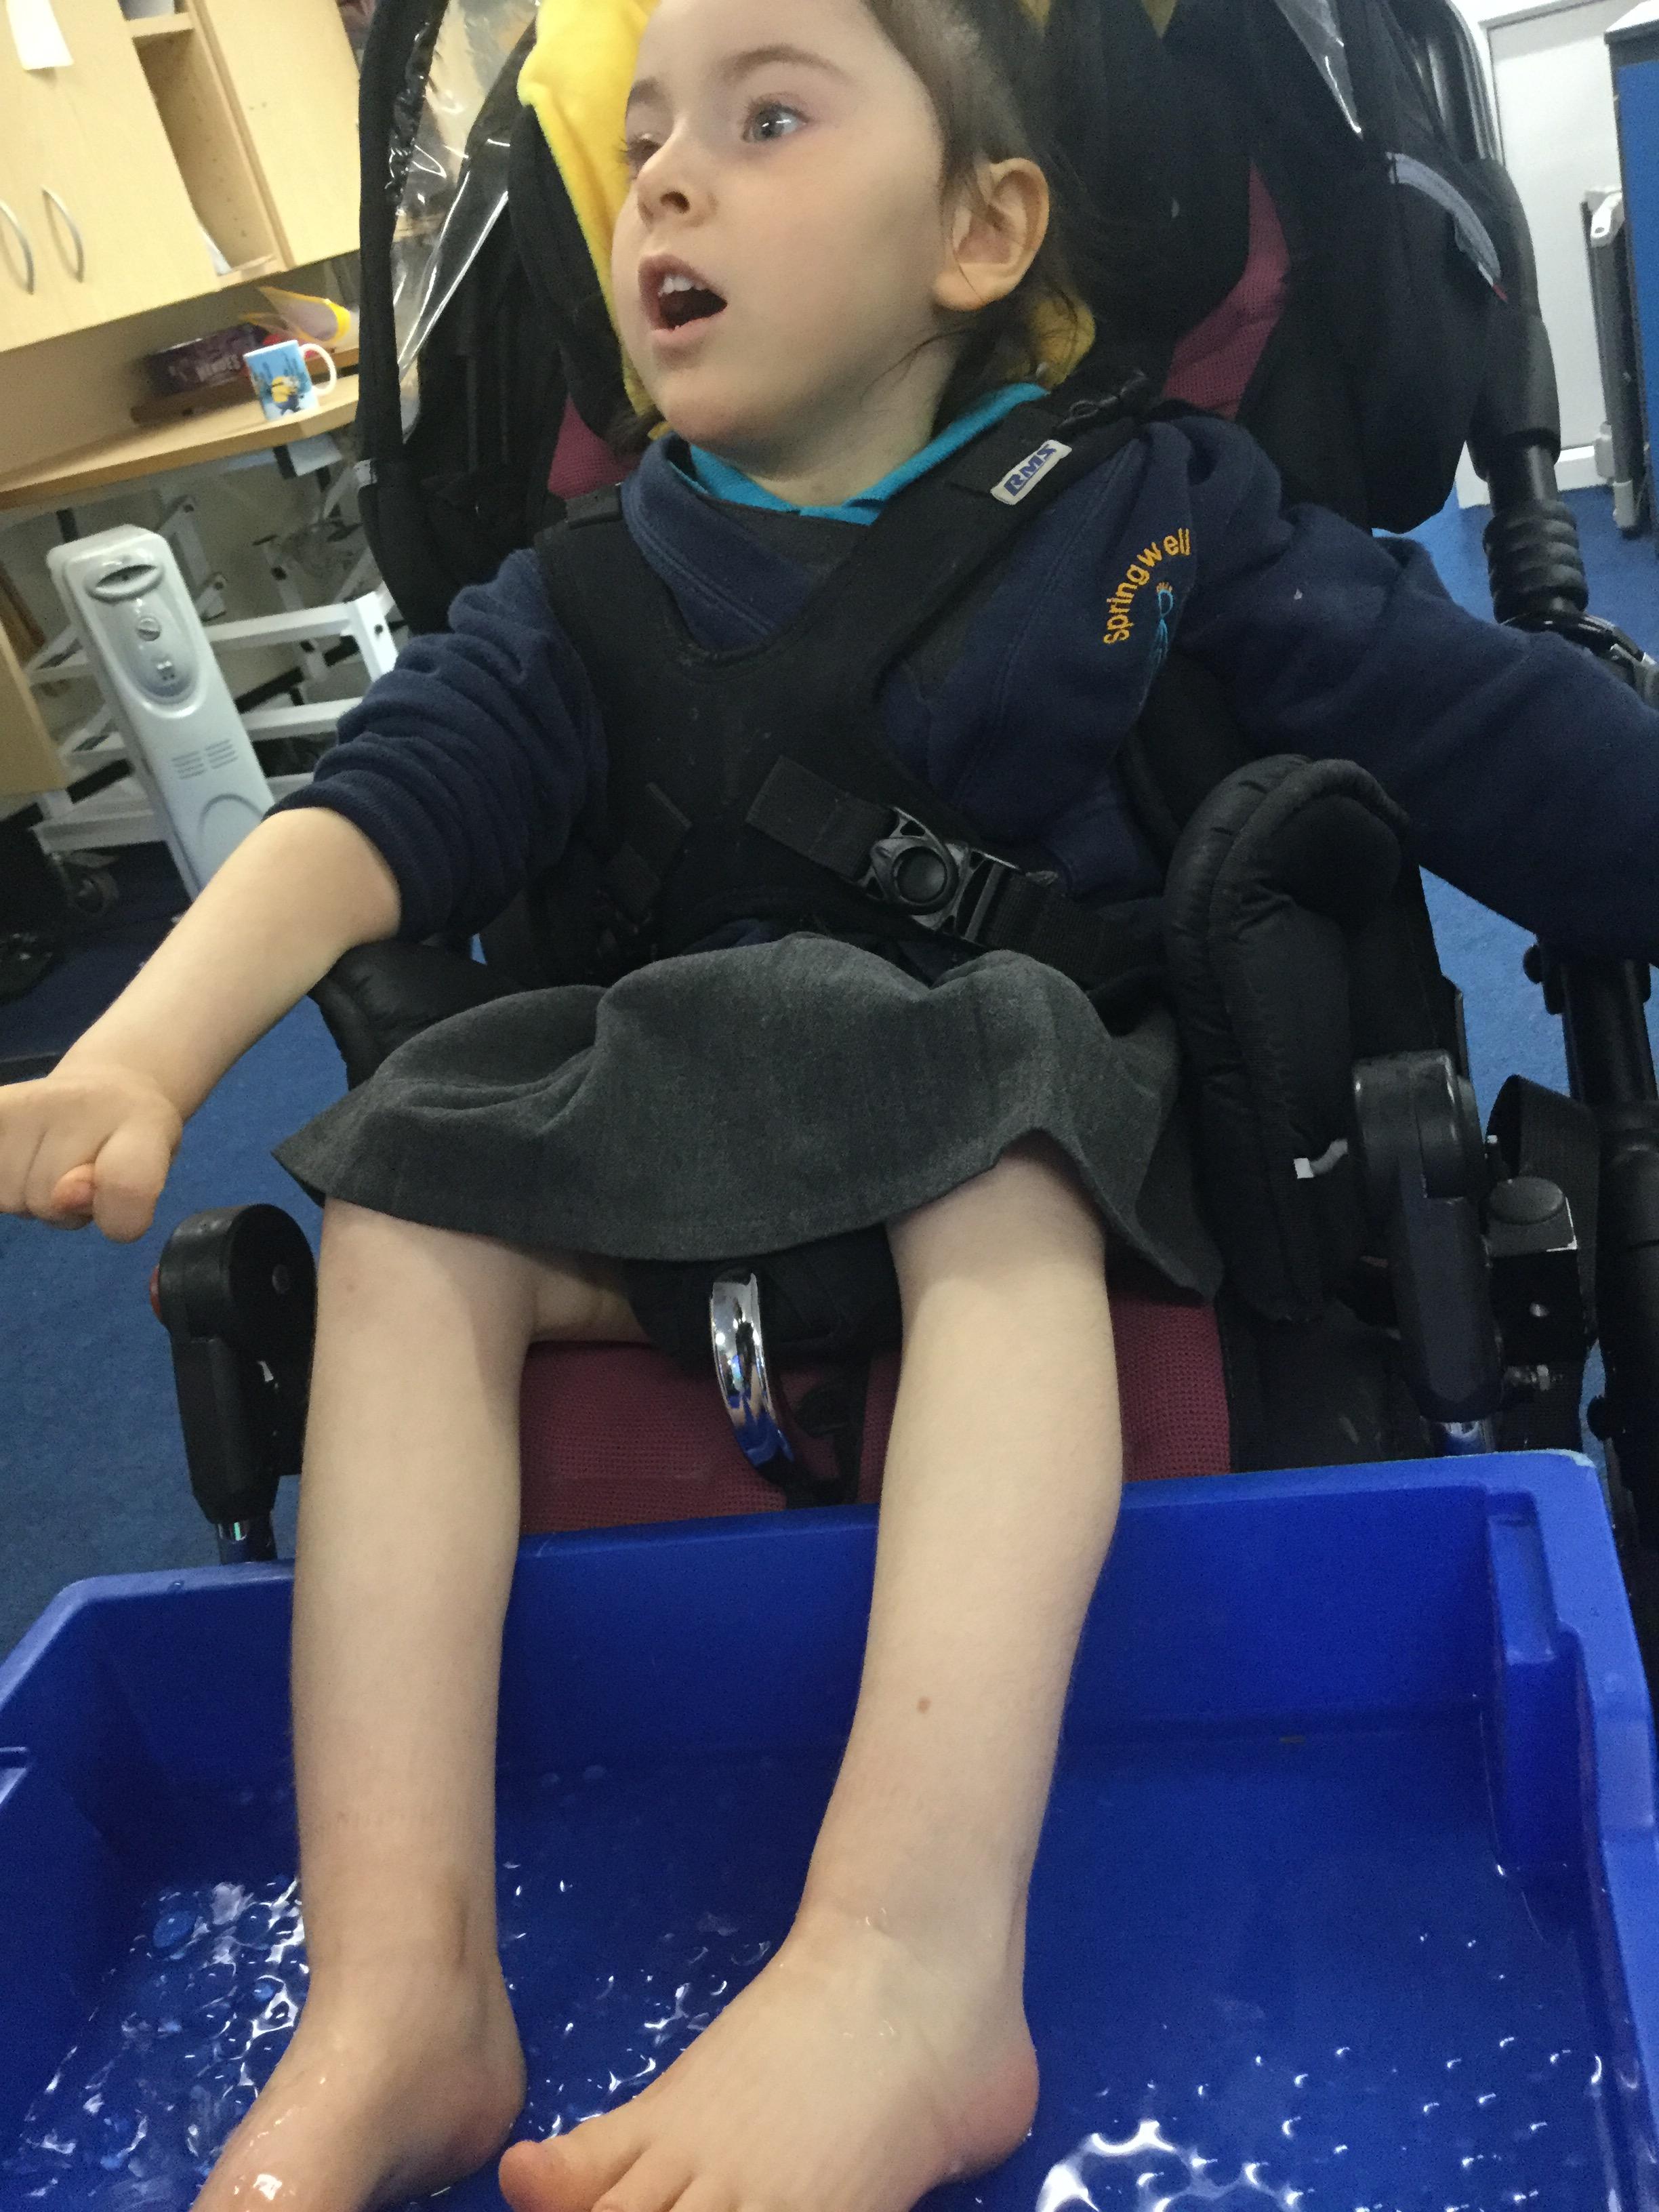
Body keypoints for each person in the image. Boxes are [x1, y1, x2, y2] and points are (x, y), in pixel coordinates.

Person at [2, 0, 1658, 2208]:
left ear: (982, 231)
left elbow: (1484, 733)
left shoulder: (1154, 509)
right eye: (644, 142)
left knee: (995, 1119)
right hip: (690, 1164)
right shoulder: (579, 600)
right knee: (408, 1192)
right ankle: (402, 1990)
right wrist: (141, 1051)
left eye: (769, 116)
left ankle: (906, 1966)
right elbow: (366, 819)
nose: (669, 179)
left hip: (1022, 1153)